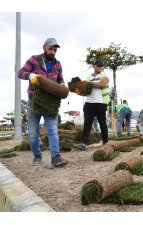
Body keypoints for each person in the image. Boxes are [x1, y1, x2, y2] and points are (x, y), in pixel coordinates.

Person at [18, 38, 69, 167]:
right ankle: (37, 156)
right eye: (50, 49)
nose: (53, 52)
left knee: (53, 130)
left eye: (55, 50)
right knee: (33, 134)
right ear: (44, 47)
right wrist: (30, 75)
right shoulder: (34, 60)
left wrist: (62, 85)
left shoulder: (58, 64)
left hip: (50, 104)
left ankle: (55, 158)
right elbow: (20, 72)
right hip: (33, 102)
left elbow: (60, 79)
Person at [73, 61, 110, 150]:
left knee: (102, 122)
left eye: (101, 66)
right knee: (87, 123)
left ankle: (105, 142)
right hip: (89, 103)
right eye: (98, 66)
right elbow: (86, 91)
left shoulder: (104, 76)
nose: (100, 67)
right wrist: (79, 91)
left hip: (101, 103)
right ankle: (84, 144)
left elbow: (101, 85)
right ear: (94, 66)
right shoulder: (89, 77)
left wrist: (88, 83)